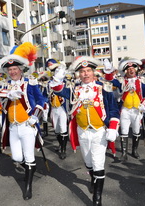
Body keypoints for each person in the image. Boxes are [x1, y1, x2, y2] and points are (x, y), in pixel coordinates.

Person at [49, 56, 120, 206]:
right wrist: (57, 77)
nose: (85, 74)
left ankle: (97, 199)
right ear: (78, 74)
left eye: (88, 70)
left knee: (98, 163)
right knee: (88, 163)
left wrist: (113, 128)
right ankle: (93, 180)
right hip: (82, 131)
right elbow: (57, 89)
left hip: (99, 131)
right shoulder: (74, 89)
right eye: (82, 71)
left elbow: (113, 110)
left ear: (93, 72)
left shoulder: (104, 87)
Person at [0, 42, 45, 200]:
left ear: (20, 69)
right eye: (10, 69)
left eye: (15, 69)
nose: (12, 71)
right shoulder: (5, 85)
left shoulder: (30, 83)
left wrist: (35, 116)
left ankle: (28, 187)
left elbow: (42, 100)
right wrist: (8, 93)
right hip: (13, 127)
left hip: (27, 125)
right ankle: (30, 170)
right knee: (16, 157)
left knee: (29, 157)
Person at [106, 59, 145, 160]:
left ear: (136, 69)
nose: (131, 70)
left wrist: (143, 104)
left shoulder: (141, 80)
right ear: (126, 71)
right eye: (129, 69)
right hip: (125, 110)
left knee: (136, 130)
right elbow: (110, 80)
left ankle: (134, 150)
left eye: (132, 68)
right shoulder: (121, 80)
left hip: (137, 110)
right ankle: (124, 153)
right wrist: (108, 71)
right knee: (124, 131)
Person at [46, 59, 69, 159]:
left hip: (62, 108)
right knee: (57, 130)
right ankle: (60, 145)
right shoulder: (49, 84)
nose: (53, 72)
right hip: (53, 109)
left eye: (55, 70)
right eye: (52, 70)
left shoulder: (65, 82)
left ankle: (63, 150)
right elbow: (44, 96)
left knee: (63, 129)